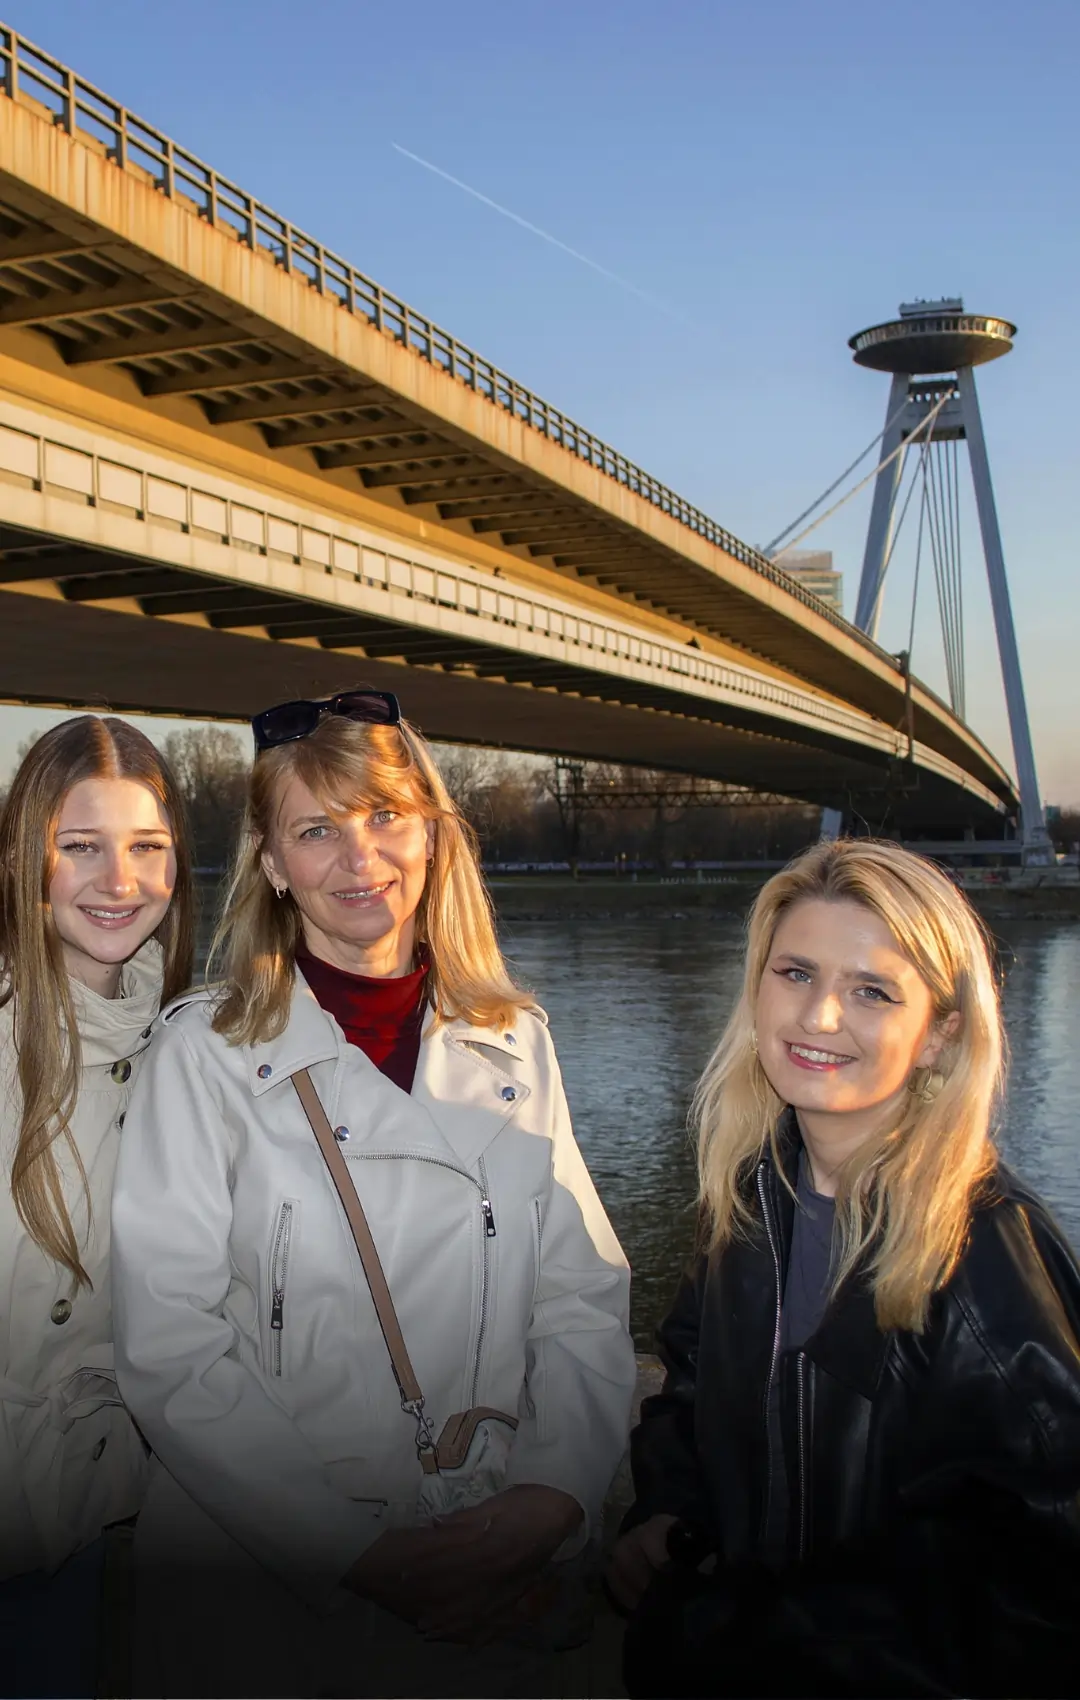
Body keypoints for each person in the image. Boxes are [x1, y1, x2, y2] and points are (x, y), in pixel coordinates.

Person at [111, 686, 636, 1698]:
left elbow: (582, 1294)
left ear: (433, 835)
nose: (361, 859)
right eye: (317, 829)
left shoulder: (516, 1041)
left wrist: (553, 1492)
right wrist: (359, 1553)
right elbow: (170, 1346)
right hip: (272, 1602)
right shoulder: (201, 1054)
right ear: (270, 862)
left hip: (488, 1557)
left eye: (386, 816)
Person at [609, 837, 1080, 1699]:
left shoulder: (986, 1258)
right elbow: (692, 1380)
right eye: (795, 973)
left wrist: (753, 1639)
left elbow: (1039, 1588)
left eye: (871, 991)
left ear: (938, 1036)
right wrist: (670, 1514)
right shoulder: (753, 1202)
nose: (819, 1017)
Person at [0, 716, 193, 1700]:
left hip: (65, 1527)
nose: (119, 878)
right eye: (81, 845)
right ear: (28, 857)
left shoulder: (195, 1054)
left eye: (146, 846)